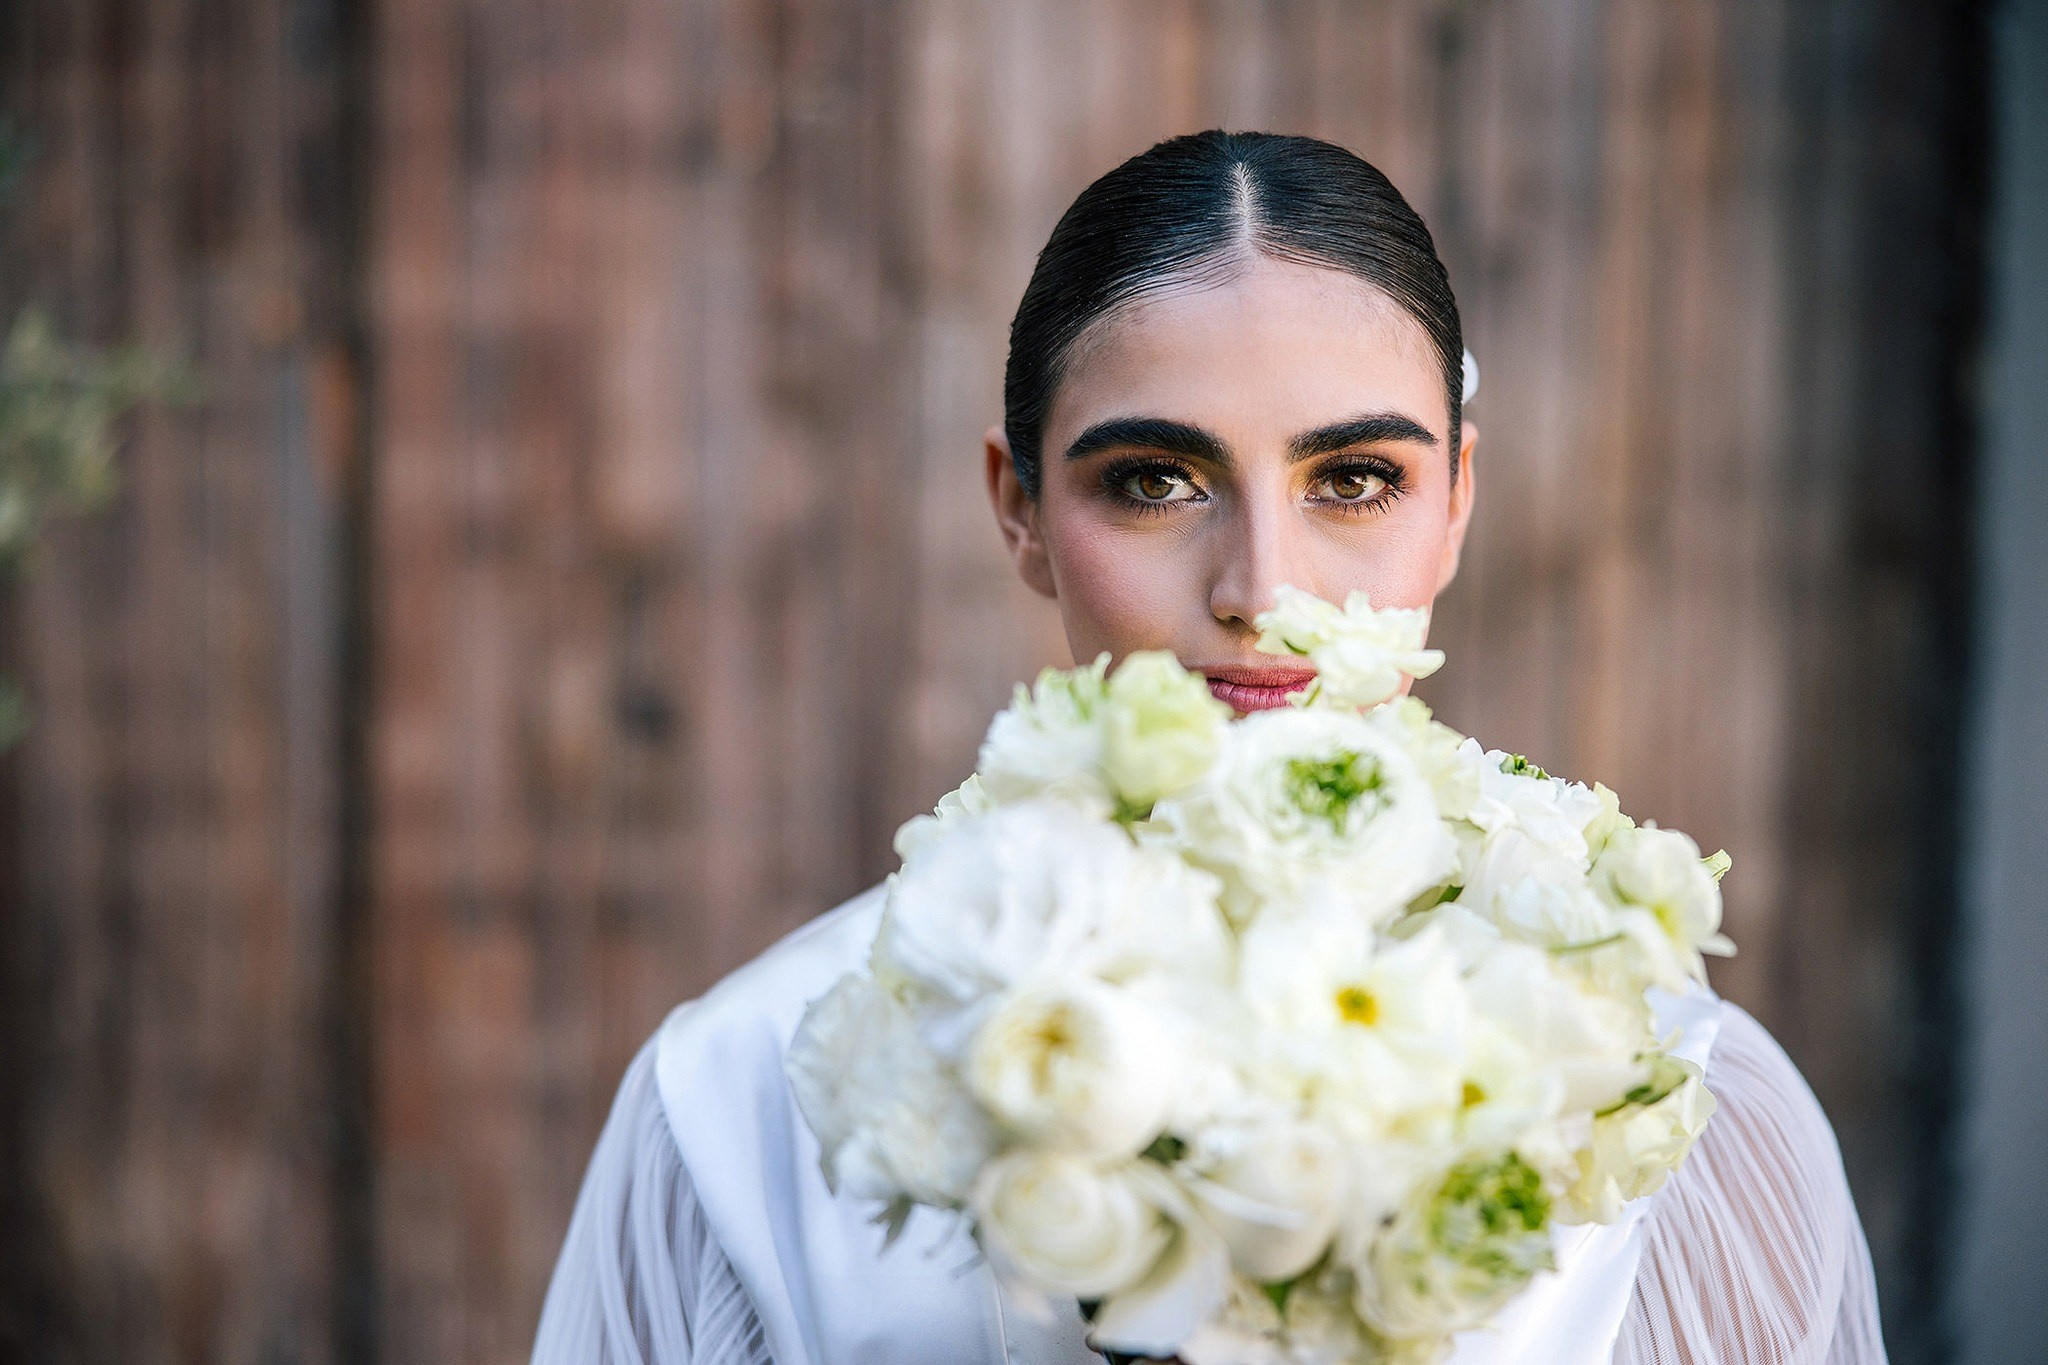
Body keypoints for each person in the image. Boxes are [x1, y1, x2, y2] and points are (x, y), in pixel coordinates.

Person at [529, 131, 1887, 1365]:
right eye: (1153, 480)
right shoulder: (746, 1103)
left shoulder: (1676, 1109)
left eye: (1355, 480)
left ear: (1458, 501)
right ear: (1019, 512)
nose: (1262, 588)